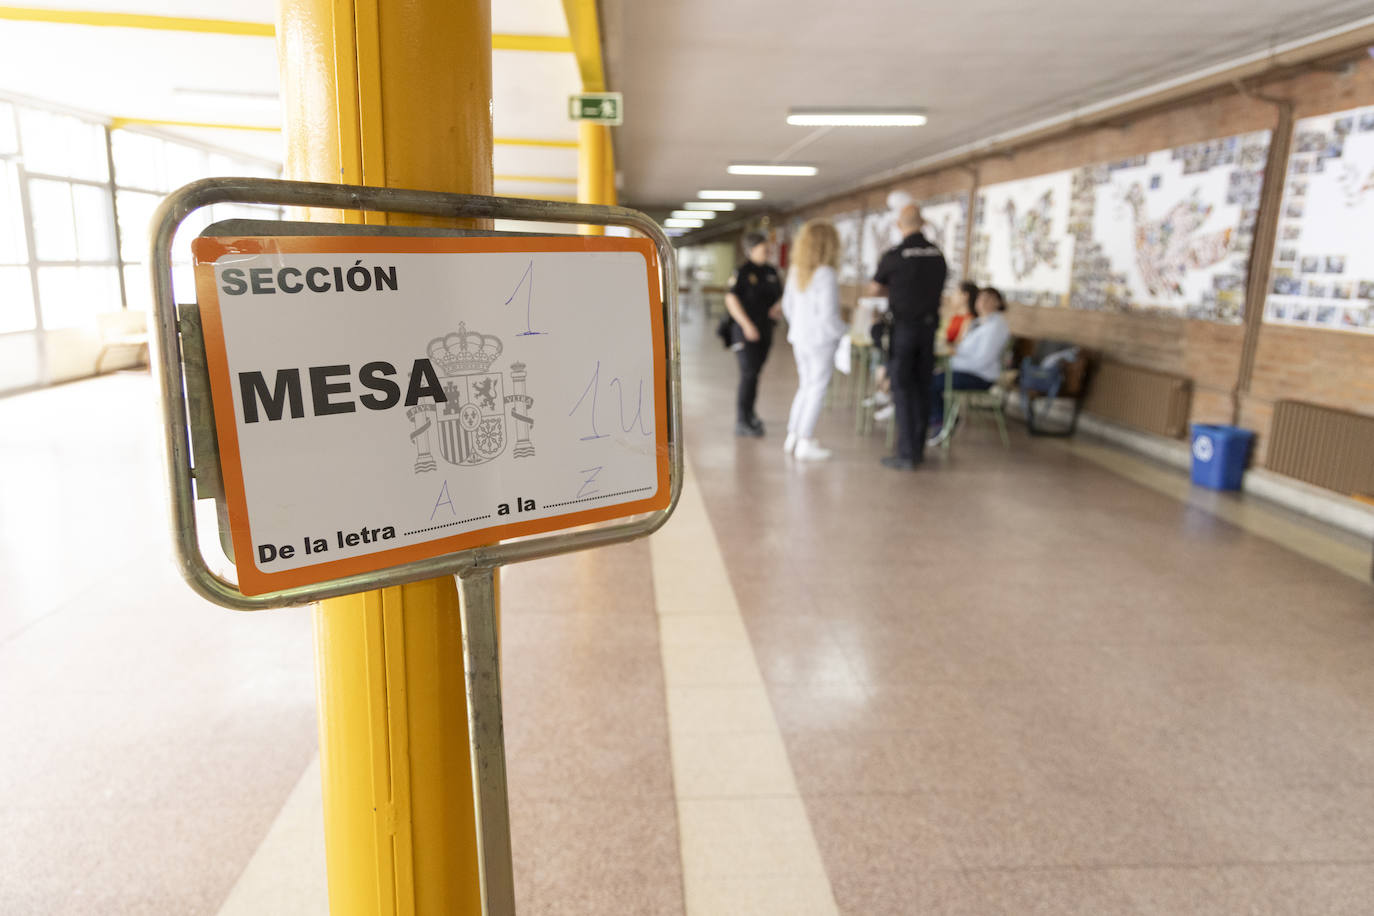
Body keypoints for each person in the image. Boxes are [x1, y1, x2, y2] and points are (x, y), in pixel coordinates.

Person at [868, 205, 947, 469]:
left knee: (902, 388)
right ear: (922, 223)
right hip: (928, 331)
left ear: (899, 225)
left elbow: (875, 289)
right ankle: (919, 448)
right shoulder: (938, 254)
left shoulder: (895, 254)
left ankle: (906, 454)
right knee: (922, 388)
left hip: (903, 330)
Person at [781, 219, 847, 461]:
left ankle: (794, 435)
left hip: (799, 338)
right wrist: (844, 330)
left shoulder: (797, 271)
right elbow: (829, 316)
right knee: (817, 389)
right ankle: (805, 441)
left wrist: (801, 326)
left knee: (805, 386)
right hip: (820, 341)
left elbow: (788, 307)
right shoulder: (826, 274)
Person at [927, 287, 1012, 435]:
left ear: (998, 303)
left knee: (931, 382)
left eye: (989, 299)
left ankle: (941, 422)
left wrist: (950, 364)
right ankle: (941, 419)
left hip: (980, 376)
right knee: (928, 378)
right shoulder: (977, 323)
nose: (983, 302)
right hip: (966, 369)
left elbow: (982, 360)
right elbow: (962, 350)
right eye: (981, 298)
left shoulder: (996, 327)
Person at [724, 232, 783, 436]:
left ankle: (750, 414)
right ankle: (741, 420)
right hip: (745, 331)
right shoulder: (742, 271)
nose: (767, 251)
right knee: (748, 373)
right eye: (763, 248)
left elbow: (780, 296)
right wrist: (747, 325)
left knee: (755, 373)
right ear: (752, 249)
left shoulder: (771, 271)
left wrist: (778, 307)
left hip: (766, 329)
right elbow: (731, 300)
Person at [944, 281, 980, 345]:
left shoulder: (969, 320)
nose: (952, 296)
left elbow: (958, 346)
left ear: (965, 296)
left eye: (956, 293)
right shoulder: (956, 316)